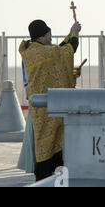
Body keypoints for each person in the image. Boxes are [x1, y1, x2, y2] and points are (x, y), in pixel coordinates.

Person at [18, 19, 81, 181]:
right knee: (50, 145)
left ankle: (46, 176)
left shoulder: (32, 51)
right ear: (41, 37)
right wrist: (75, 33)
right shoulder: (44, 52)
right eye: (48, 35)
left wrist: (69, 34)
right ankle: (43, 179)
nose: (51, 38)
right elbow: (67, 51)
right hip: (47, 108)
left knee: (46, 143)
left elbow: (58, 51)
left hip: (39, 109)